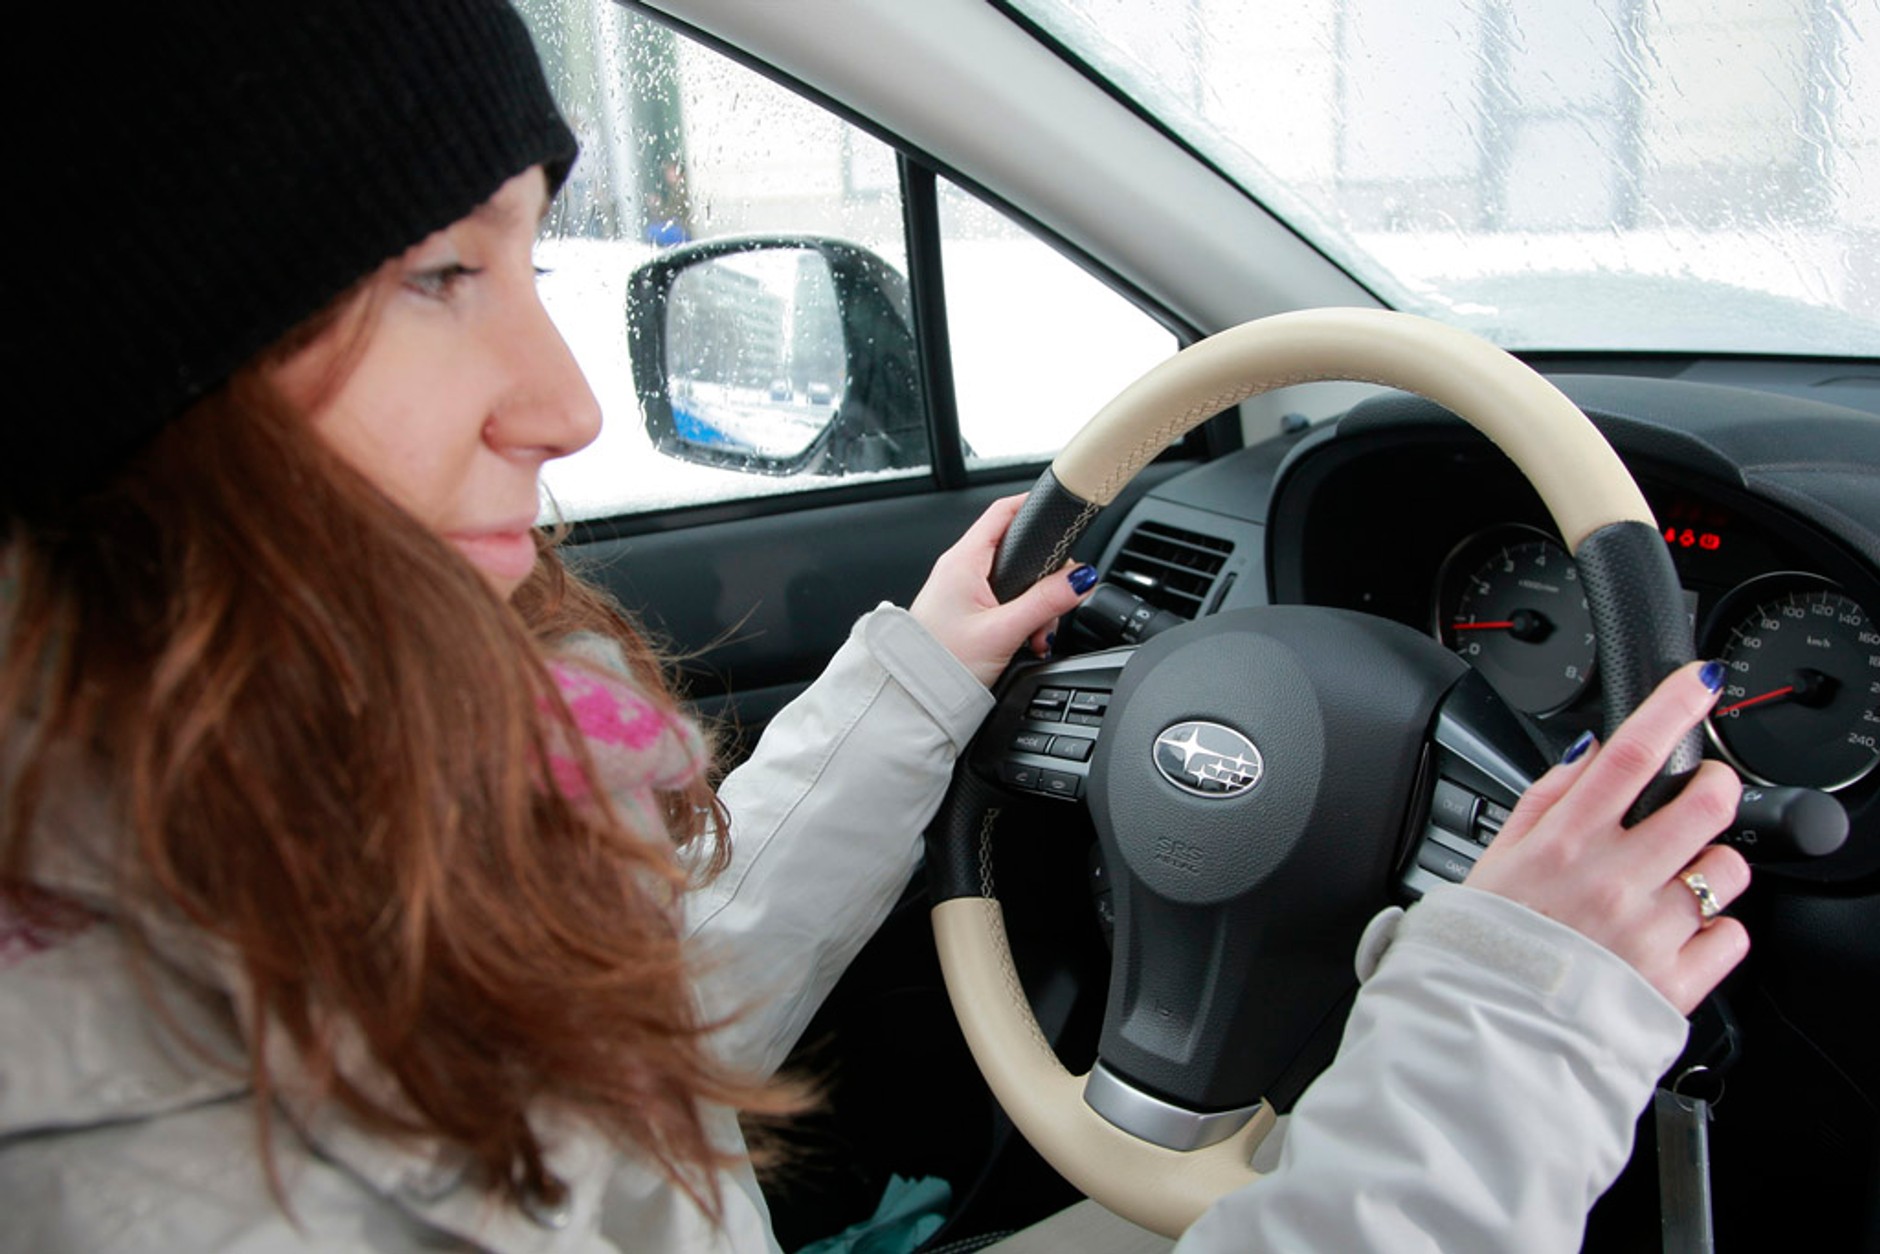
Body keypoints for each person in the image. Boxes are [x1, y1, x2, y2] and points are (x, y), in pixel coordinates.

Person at [0, 3, 1747, 1251]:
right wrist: (1515, 1031)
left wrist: (915, 688)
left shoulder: (277, 829)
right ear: (140, 379)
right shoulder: (164, 1182)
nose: (559, 402)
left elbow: (609, 1050)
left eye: (535, 262)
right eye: (439, 276)